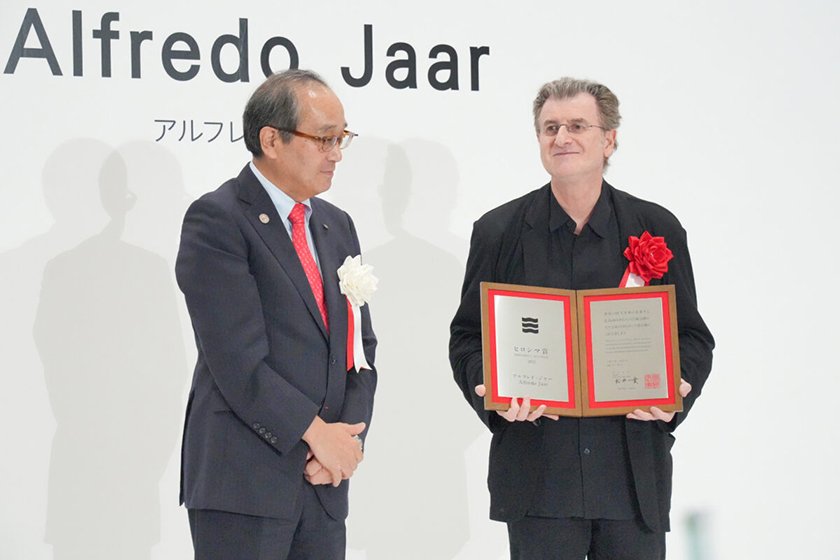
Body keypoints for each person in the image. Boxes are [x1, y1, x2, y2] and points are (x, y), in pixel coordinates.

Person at [449, 77, 714, 559]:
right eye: (550, 128)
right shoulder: (498, 231)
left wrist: (675, 392)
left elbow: (692, 338)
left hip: (631, 477)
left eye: (576, 125)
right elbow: (467, 337)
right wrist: (494, 391)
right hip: (538, 479)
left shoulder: (656, 227)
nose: (561, 138)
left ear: (609, 139)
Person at [175, 69, 377, 560]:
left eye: (342, 138)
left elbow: (360, 348)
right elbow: (237, 361)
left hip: (323, 485)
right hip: (243, 485)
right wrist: (317, 436)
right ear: (271, 139)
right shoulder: (218, 219)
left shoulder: (336, 224)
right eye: (324, 138)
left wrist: (345, 443)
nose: (336, 153)